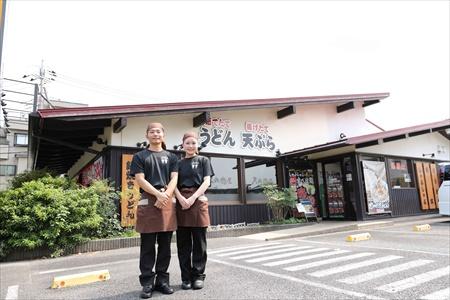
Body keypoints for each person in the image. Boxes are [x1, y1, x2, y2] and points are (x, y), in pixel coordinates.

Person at [130, 122, 179, 299]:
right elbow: (140, 180)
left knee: (165, 246)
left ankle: (162, 282)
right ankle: (147, 283)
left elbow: (174, 178)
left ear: (163, 135)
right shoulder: (140, 156)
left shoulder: (172, 157)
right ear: (147, 135)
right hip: (148, 202)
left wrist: (164, 194)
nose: (155, 134)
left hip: (166, 200)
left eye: (158, 132)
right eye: (152, 132)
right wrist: (158, 195)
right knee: (147, 246)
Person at [174, 132, 214, 290]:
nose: (190, 146)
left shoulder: (204, 160)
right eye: (187, 143)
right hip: (181, 201)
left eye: (193, 143)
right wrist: (181, 198)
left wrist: (193, 198)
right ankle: (185, 278)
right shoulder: (177, 163)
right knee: (183, 244)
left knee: (199, 242)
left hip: (198, 200)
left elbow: (207, 181)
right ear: (182, 145)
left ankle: (198, 276)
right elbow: (173, 183)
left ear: (198, 145)